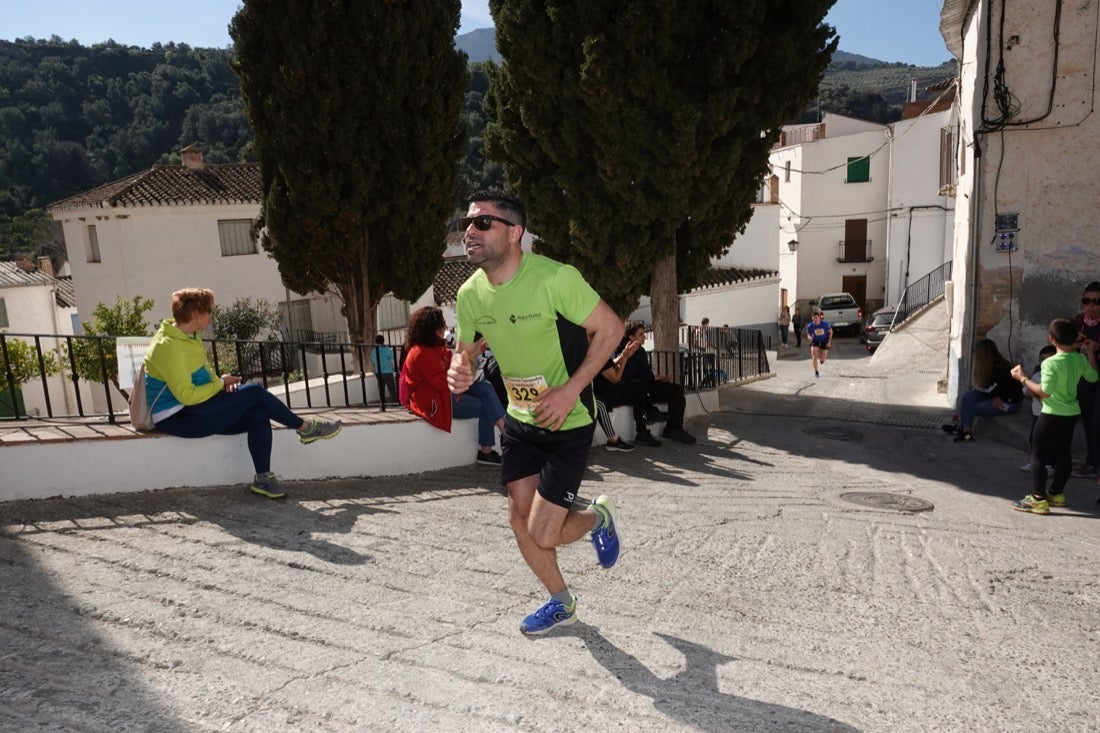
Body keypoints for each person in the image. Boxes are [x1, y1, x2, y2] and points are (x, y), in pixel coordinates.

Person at [446, 189, 624, 636]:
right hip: (521, 422)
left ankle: (598, 515)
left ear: (515, 233)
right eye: (468, 222)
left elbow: (611, 327)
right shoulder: (470, 294)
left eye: (483, 223)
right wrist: (459, 368)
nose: (470, 231)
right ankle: (562, 603)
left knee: (544, 531)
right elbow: (464, 352)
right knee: (519, 521)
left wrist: (570, 390)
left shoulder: (554, 279)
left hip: (570, 420)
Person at [144, 288, 342, 499]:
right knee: (254, 392)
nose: (212, 315)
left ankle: (263, 479)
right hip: (177, 417)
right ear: (195, 315)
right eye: (208, 311)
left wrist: (220, 382)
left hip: (196, 408)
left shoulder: (190, 335)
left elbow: (202, 371)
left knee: (258, 414)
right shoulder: (169, 346)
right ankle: (305, 427)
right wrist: (220, 384)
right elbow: (187, 396)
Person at [1010, 318, 1099, 514]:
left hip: (1051, 414)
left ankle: (1038, 498)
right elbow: (1094, 376)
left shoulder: (1049, 363)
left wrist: (1022, 378)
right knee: (1063, 453)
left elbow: (1044, 392)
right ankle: (1056, 493)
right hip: (1072, 413)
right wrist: (1090, 352)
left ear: (1051, 339)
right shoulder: (1080, 358)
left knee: (1037, 452)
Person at [401, 305, 505, 466]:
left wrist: (473, 353)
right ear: (431, 328)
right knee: (486, 404)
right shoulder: (420, 353)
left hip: (449, 391)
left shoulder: (438, 348)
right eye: (441, 325)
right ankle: (490, 449)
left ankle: (504, 437)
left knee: (485, 387)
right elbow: (443, 383)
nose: (445, 328)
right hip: (438, 400)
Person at [619, 321, 697, 445]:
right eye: (641, 334)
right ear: (631, 337)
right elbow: (629, 375)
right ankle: (655, 420)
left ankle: (673, 428)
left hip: (648, 385)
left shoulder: (641, 351)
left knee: (677, 391)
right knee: (641, 389)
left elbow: (645, 373)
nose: (644, 337)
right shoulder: (624, 352)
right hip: (638, 389)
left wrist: (659, 378)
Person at [941, 338, 1024, 442]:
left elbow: (1012, 393)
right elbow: (991, 389)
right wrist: (995, 396)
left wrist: (999, 398)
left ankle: (964, 432)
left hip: (1009, 403)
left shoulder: (1003, 368)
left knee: (973, 407)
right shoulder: (991, 366)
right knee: (968, 396)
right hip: (993, 397)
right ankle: (963, 430)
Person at [594, 333, 662, 447]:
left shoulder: (599, 351)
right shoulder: (597, 352)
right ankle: (644, 424)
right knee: (637, 389)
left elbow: (611, 364)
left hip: (610, 390)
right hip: (606, 394)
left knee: (638, 388)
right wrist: (625, 357)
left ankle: (644, 427)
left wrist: (624, 355)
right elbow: (616, 377)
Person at [1072, 281, 1100, 477]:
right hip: (1084, 377)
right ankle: (1091, 462)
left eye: (1096, 302)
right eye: (1086, 301)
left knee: (1097, 421)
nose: (1090, 306)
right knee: (1088, 420)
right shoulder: (1079, 321)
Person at [1020, 344, 1058, 472]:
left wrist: (1036, 393)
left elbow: (1048, 396)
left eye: (1049, 359)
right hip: (1037, 413)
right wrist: (1030, 391)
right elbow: (1025, 389)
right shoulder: (1038, 375)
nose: (1045, 362)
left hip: (1050, 414)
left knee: (1049, 440)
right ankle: (1034, 462)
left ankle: (1049, 464)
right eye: (1042, 359)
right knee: (1034, 439)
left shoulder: (1056, 376)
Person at [371, 334, 397, 405]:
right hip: (388, 370)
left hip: (378, 371)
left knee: (381, 388)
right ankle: (394, 401)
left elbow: (373, 360)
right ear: (383, 341)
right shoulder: (386, 349)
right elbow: (392, 356)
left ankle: (382, 402)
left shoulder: (373, 350)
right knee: (391, 387)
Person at [805, 309, 831, 378]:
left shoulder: (825, 324)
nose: (815, 320)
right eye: (813, 319)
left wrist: (829, 341)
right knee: (814, 356)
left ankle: (822, 360)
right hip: (815, 341)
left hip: (824, 341)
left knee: (823, 359)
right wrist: (809, 337)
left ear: (819, 318)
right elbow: (808, 334)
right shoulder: (810, 326)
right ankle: (816, 371)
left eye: (816, 318)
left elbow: (831, 332)